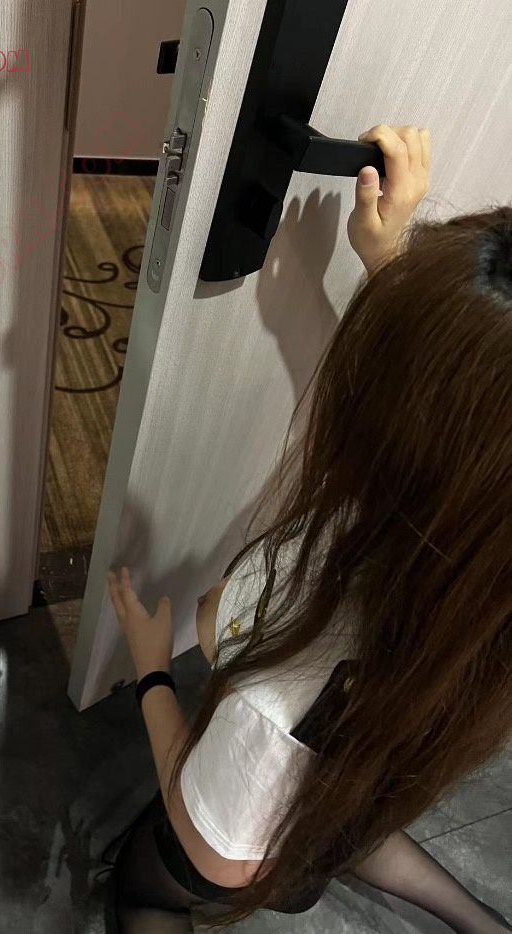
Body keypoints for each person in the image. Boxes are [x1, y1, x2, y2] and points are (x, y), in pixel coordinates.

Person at [104, 124, 512, 933]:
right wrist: (390, 257)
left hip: (263, 850)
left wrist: (152, 670)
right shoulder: (478, 590)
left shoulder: (277, 693)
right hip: (346, 794)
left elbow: (219, 849)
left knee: (144, 885)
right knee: (340, 812)